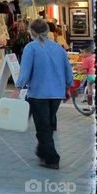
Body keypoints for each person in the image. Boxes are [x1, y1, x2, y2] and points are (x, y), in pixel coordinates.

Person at [13, 19, 74, 169]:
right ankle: (41, 152)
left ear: (31, 32)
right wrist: (68, 87)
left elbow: (25, 71)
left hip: (38, 93)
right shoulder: (58, 48)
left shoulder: (31, 48)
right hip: (56, 94)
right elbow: (68, 70)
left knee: (43, 128)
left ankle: (52, 159)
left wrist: (18, 88)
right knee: (47, 125)